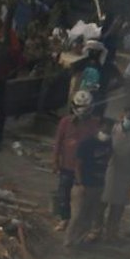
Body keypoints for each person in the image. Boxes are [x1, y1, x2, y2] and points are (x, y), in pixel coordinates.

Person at [52, 92, 101, 224]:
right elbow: (58, 142)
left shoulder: (95, 124)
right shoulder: (65, 122)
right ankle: (64, 218)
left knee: (82, 196)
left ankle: (79, 221)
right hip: (67, 165)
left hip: (85, 168)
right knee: (64, 193)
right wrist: (55, 161)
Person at [101, 107, 130, 239]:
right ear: (122, 116)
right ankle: (96, 229)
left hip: (125, 175)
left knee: (118, 208)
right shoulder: (113, 130)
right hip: (109, 171)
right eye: (128, 117)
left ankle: (111, 233)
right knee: (101, 204)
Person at [70, 119, 116, 242]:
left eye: (109, 130)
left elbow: (109, 161)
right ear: (99, 128)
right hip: (84, 184)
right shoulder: (87, 143)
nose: (107, 132)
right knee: (77, 215)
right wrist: (80, 183)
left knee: (90, 217)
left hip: (98, 186)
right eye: (105, 129)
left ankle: (79, 241)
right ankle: (69, 241)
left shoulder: (110, 144)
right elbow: (78, 165)